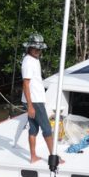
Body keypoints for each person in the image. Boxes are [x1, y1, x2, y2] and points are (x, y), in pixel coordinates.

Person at [20, 33, 59, 165]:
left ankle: (33, 156)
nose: (38, 51)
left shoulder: (33, 59)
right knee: (47, 129)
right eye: (35, 48)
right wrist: (30, 106)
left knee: (33, 128)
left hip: (35, 99)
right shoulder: (28, 62)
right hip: (34, 101)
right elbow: (26, 84)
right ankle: (54, 157)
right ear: (29, 48)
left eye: (39, 49)